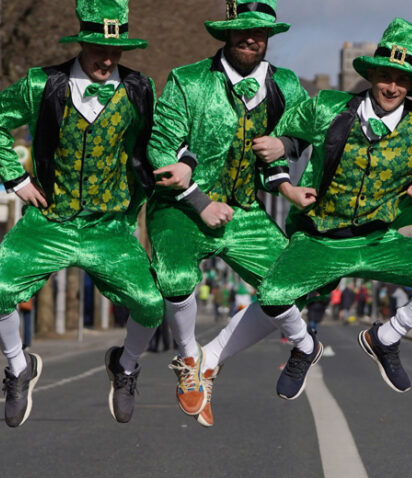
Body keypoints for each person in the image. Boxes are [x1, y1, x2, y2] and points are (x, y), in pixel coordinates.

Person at [257, 17, 412, 399]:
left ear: (411, 85)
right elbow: (286, 135)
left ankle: (387, 337)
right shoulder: (328, 107)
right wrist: (284, 178)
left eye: (401, 80)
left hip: (381, 241)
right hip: (322, 239)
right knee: (272, 295)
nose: (392, 87)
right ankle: (304, 346)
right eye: (384, 76)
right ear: (372, 75)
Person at [0, 0, 164, 427]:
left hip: (109, 226)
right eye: (98, 47)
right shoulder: (43, 83)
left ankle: (126, 366)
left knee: (152, 303)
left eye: (116, 51)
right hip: (50, 220)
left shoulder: (140, 88)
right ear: (80, 41)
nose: (107, 58)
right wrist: (16, 179)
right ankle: (18, 366)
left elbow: (154, 143)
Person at [146, 0, 314, 427]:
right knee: (176, 277)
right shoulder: (188, 81)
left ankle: (210, 360)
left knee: (293, 281)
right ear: (225, 32)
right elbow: (159, 150)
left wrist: (287, 147)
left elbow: (309, 129)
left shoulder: (287, 86)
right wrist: (200, 202)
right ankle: (187, 359)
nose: (250, 37)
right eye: (241, 29)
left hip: (244, 210)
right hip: (183, 205)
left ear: (270, 36)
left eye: (259, 30)